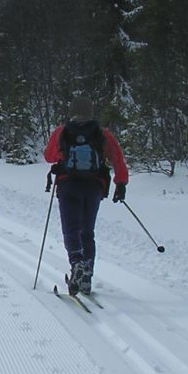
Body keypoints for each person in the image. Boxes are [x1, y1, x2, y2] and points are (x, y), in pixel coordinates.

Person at [43, 96, 129, 295]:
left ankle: (77, 263)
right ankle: (86, 275)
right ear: (90, 111)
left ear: (72, 111)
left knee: (71, 230)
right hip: (93, 187)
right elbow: (117, 159)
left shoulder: (62, 131)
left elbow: (49, 157)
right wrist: (121, 184)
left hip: (68, 185)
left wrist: (62, 155)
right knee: (87, 231)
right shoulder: (102, 134)